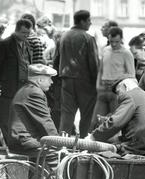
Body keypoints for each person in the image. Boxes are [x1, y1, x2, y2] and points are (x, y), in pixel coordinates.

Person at [87, 78, 145, 155]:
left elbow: (114, 123)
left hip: (141, 148)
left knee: (101, 153)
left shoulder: (131, 96)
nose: (117, 97)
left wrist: (93, 137)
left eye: (118, 92)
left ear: (126, 87)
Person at [0, 19, 32, 140]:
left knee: (17, 121)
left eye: (28, 33)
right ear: (16, 30)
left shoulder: (26, 45)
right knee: (5, 120)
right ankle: (6, 146)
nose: (26, 36)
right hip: (6, 91)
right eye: (23, 33)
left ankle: (14, 144)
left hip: (21, 90)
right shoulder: (4, 44)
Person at [57, 10, 99, 138]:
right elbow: (93, 63)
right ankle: (83, 143)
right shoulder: (88, 38)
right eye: (88, 20)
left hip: (66, 80)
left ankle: (63, 144)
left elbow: (56, 59)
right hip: (85, 81)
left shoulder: (63, 36)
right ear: (82, 21)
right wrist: (96, 82)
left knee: (67, 114)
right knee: (86, 115)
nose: (90, 23)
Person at [90, 26, 135, 131]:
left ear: (121, 40)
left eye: (117, 42)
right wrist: (98, 86)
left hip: (118, 91)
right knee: (95, 121)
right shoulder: (105, 50)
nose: (114, 44)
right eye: (111, 41)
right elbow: (100, 70)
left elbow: (131, 75)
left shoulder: (126, 53)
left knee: (115, 122)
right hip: (103, 89)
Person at [8, 64, 58, 157]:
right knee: (59, 156)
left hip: (21, 140)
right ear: (40, 80)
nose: (51, 82)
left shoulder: (26, 89)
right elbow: (45, 122)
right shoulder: (35, 93)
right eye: (49, 78)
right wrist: (59, 143)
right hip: (25, 142)